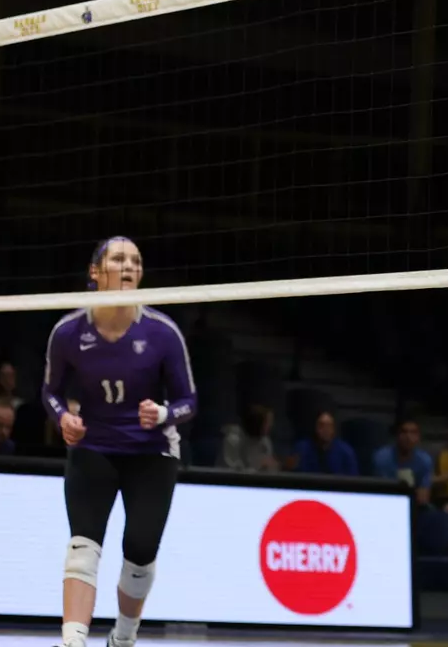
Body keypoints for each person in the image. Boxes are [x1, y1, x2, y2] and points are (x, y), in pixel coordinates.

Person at [42, 237, 197, 647]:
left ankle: (123, 638)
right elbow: (50, 391)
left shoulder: (163, 333)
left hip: (151, 451)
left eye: (136, 261)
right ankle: (72, 640)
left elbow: (189, 401)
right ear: (95, 272)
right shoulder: (68, 332)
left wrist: (163, 414)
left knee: (140, 550)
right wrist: (63, 418)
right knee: (83, 546)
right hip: (94, 445)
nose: (128, 266)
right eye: (118, 259)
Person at [374, 417, 435, 507]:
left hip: (415, 505)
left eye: (413, 433)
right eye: (404, 432)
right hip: (386, 503)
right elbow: (381, 491)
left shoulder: (425, 460)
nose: (408, 437)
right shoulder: (382, 457)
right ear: (397, 435)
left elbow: (424, 495)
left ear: (418, 437)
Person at [289, 410, 358, 476]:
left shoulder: (346, 452)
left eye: (329, 426)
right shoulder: (301, 449)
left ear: (333, 429)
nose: (325, 430)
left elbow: (353, 481)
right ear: (315, 428)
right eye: (321, 425)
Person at [221, 403, 278, 472]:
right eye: (267, 422)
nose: (270, 426)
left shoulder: (265, 441)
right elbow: (232, 472)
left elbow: (269, 471)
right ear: (257, 422)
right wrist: (258, 466)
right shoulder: (233, 440)